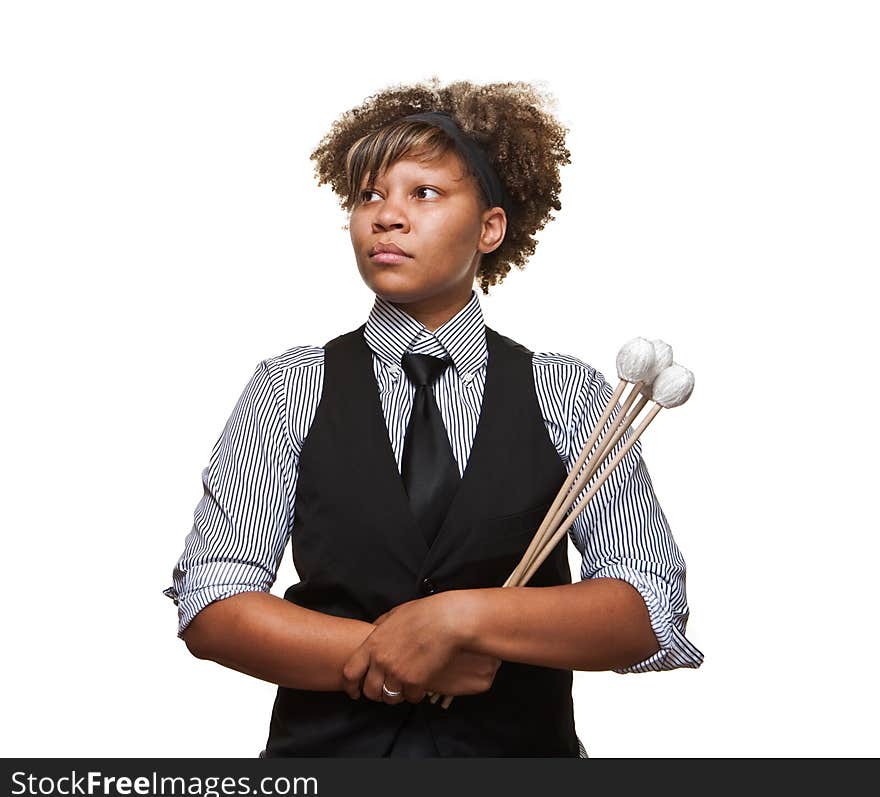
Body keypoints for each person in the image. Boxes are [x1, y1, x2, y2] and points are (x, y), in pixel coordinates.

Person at [163, 77, 704, 758]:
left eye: (424, 193)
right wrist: (397, 657)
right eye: (369, 196)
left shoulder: (567, 393)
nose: (386, 216)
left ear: (489, 228)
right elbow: (214, 602)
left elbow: (648, 609)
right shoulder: (289, 386)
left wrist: (461, 617)